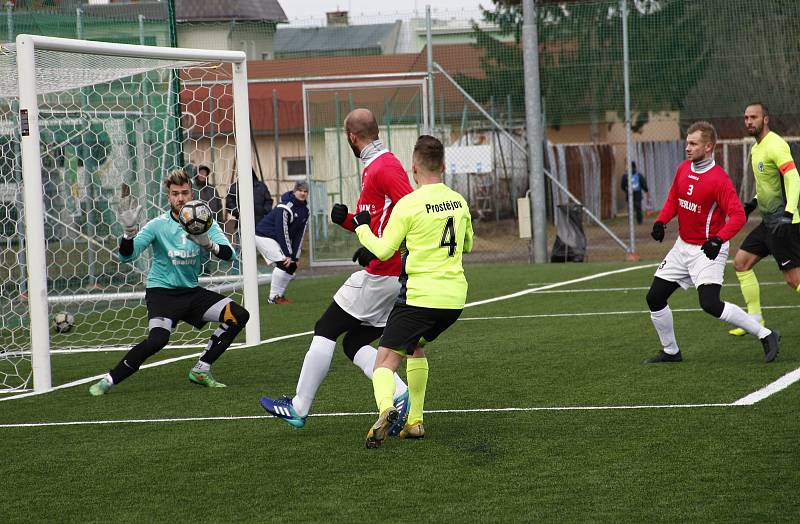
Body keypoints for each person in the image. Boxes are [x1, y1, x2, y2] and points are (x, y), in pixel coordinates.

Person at [259, 108, 412, 432]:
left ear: (352, 138)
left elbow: (412, 211)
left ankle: (299, 407)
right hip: (388, 272)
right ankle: (399, 395)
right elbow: (376, 221)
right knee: (353, 343)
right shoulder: (375, 165)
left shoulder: (384, 166)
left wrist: (382, 248)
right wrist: (347, 220)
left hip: (382, 272)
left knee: (326, 327)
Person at [353, 135, 473, 448]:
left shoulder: (408, 205)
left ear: (413, 169)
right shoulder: (459, 202)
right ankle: (415, 422)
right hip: (454, 300)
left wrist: (361, 226)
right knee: (414, 348)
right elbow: (468, 245)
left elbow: (383, 249)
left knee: (383, 363)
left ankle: (386, 409)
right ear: (444, 166)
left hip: (420, 297)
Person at [88, 170, 250, 395]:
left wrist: (209, 245)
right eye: (175, 194)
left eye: (184, 193)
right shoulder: (158, 225)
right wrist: (127, 234)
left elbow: (230, 254)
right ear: (168, 196)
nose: (180, 198)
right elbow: (127, 256)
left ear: (192, 193)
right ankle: (109, 379)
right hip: (161, 293)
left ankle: (201, 369)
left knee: (239, 315)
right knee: (157, 341)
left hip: (191, 293)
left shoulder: (205, 222)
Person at [645, 121, 780, 364]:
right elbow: (674, 199)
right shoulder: (683, 169)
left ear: (709, 147)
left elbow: (738, 215)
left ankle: (766, 334)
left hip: (707, 251)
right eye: (687, 143)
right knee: (654, 297)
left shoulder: (719, 179)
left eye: (693, 144)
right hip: (682, 247)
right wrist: (661, 221)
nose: (687, 148)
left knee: (710, 304)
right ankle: (671, 351)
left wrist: (718, 240)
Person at [728, 102, 800, 336]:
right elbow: (768, 185)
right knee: (741, 263)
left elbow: (793, 178)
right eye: (746, 117)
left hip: (784, 224)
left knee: (794, 280)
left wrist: (789, 213)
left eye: (754, 117)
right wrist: (753, 202)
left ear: (765, 119)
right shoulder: (756, 148)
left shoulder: (775, 145)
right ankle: (755, 319)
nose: (749, 121)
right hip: (767, 223)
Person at [254, 180, 310, 304]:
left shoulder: (305, 211)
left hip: (275, 239)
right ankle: (273, 298)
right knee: (283, 262)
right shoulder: (284, 207)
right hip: (263, 236)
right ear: (294, 191)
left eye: (305, 191)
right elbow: (282, 232)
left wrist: (295, 256)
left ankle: (279, 296)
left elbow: (299, 236)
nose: (302, 193)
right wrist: (288, 254)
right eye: (300, 190)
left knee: (292, 265)